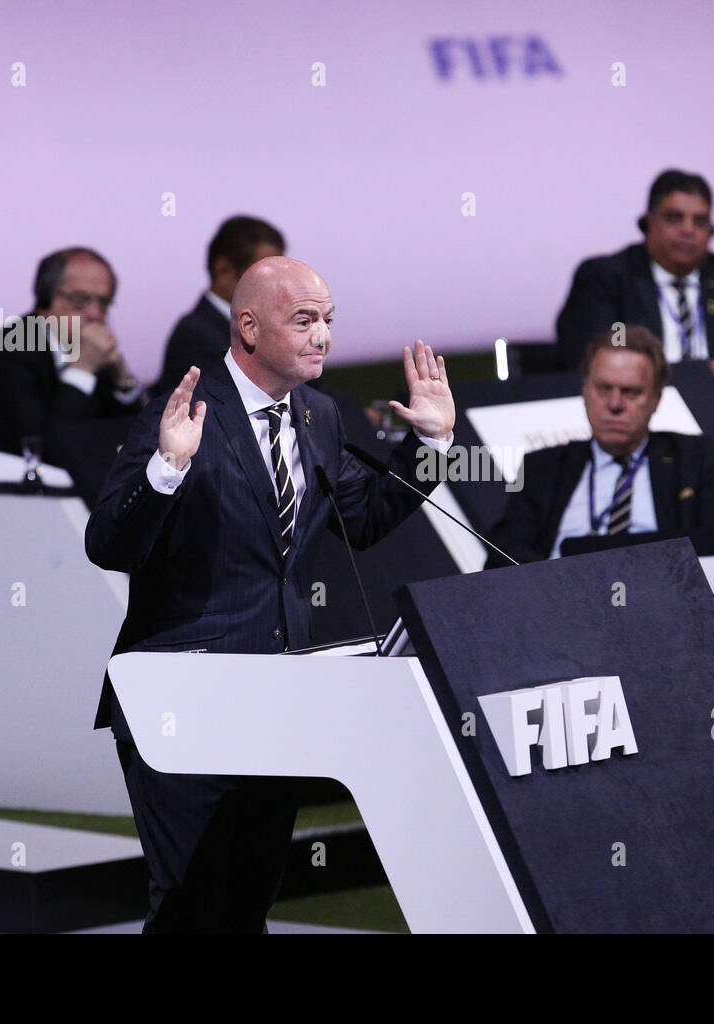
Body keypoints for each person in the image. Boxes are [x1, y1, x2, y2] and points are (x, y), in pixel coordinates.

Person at [85, 256, 454, 932]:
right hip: (181, 702)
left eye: (329, 321)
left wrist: (429, 441)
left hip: (279, 703)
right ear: (248, 327)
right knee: (192, 907)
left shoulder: (318, 414)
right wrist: (166, 469)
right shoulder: (186, 412)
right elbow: (108, 544)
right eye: (305, 320)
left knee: (248, 902)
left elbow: (366, 519)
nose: (323, 337)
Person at [486, 326, 714, 568]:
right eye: (603, 389)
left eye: (630, 392)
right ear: (585, 390)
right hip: (562, 598)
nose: (614, 404)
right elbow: (501, 556)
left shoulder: (694, 459)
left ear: (656, 399)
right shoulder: (543, 467)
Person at [554, 169, 714, 396]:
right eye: (674, 218)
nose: (688, 230)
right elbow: (591, 360)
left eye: (700, 221)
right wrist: (686, 380)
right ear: (648, 223)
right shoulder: (607, 278)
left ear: (711, 231)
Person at [0, 246, 145, 492]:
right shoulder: (10, 352)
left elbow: (133, 439)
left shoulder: (88, 351)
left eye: (103, 303)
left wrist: (122, 379)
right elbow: (47, 450)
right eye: (80, 301)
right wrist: (81, 371)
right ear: (45, 299)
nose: (95, 314)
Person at [152, 215, 286, 397]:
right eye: (264, 274)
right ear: (223, 269)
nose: (277, 284)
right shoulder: (195, 336)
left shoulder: (276, 326)